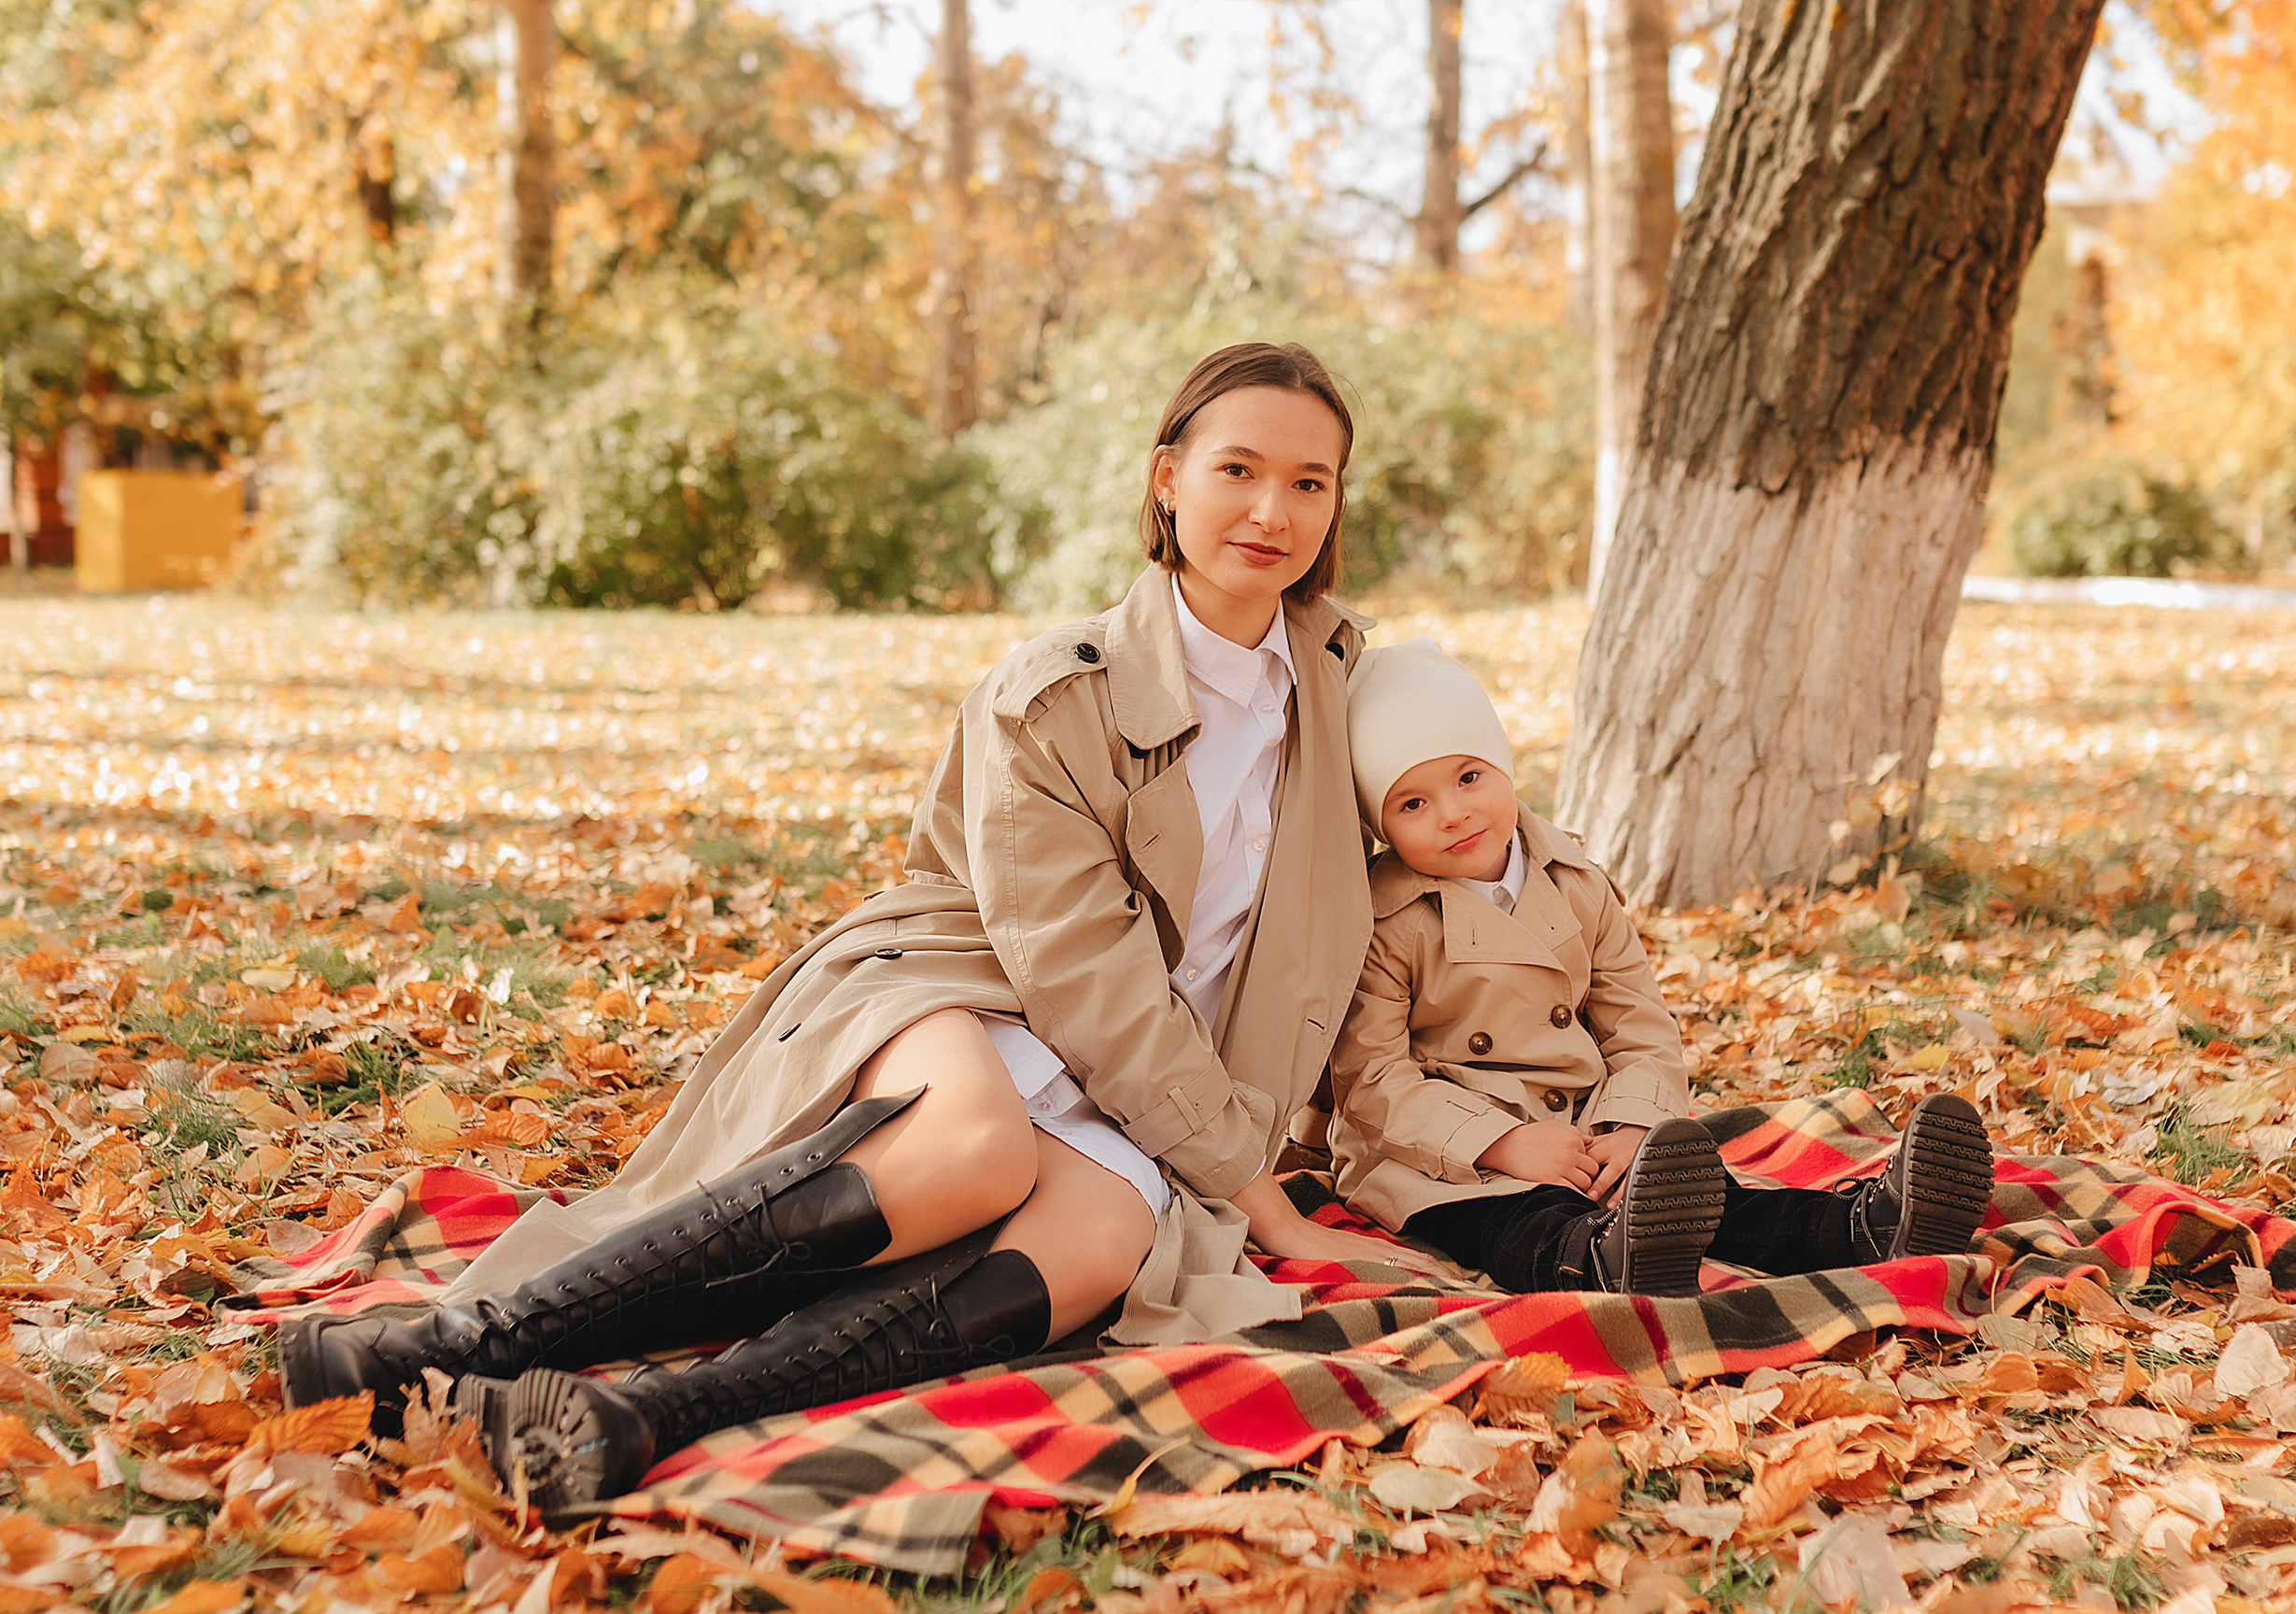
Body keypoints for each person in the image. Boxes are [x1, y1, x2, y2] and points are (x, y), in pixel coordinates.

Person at [277, 342, 1385, 1515]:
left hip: (1151, 1072)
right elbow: (1074, 966)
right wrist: (1245, 1177)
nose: (1272, 511)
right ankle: (448, 1350)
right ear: (1168, 478)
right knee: (975, 1153)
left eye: (1309, 483)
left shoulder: (1339, 689)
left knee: (1099, 1251)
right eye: (1238, 470)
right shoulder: (1055, 691)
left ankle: (645, 1417)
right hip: (975, 983)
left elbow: (1432, 862)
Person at [1328, 639, 1993, 1296]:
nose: (1453, 814)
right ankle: (1597, 1262)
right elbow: (1373, 1079)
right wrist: (1502, 1144)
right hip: (1442, 1151)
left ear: (1504, 768)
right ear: (1380, 824)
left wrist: (1632, 1125)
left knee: (1707, 1200)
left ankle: (1867, 1227)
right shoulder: (1384, 921)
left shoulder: (1574, 881)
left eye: (1469, 777)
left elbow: (1638, 1021)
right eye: (1412, 803)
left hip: (1584, 1121)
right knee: (1514, 1219)